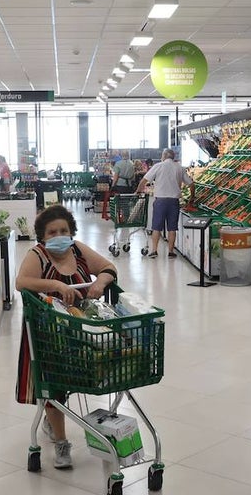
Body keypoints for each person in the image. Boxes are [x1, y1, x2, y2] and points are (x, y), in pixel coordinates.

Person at [15, 205, 118, 469]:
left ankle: (72, 424)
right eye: (52, 232)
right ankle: (61, 441)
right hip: (49, 335)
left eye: (64, 230)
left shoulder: (78, 250)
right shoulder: (37, 255)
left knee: (90, 375)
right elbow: (22, 282)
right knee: (55, 385)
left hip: (82, 333)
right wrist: (56, 285)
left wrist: (100, 282)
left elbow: (108, 267)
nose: (59, 235)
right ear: (43, 236)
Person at [136, 148, 194, 259]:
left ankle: (154, 251)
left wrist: (138, 191)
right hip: (174, 202)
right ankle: (171, 252)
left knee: (156, 227)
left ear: (164, 156)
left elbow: (144, 181)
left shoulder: (158, 166)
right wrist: (192, 198)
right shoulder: (180, 168)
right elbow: (191, 184)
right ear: (173, 157)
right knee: (172, 228)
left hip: (160, 201)